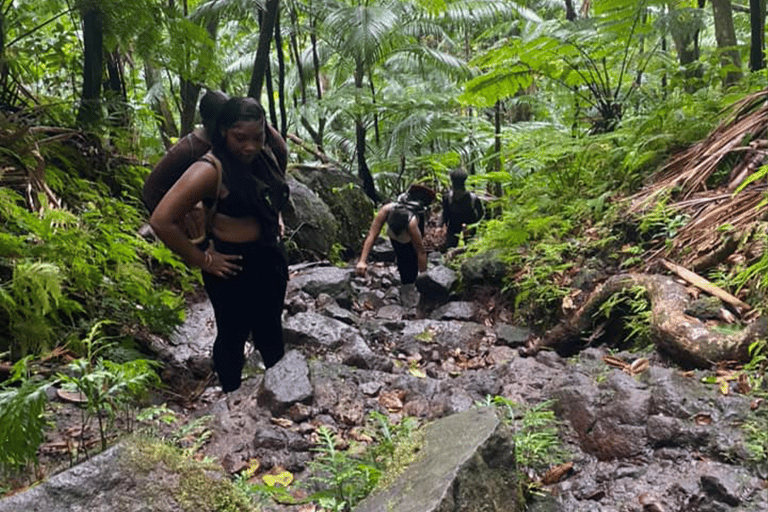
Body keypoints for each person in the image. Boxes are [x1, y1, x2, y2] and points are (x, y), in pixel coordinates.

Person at [150, 97, 290, 393]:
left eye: (258, 137)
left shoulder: (263, 158)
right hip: (232, 267)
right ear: (223, 132)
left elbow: (272, 190)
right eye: (241, 138)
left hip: (269, 258)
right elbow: (162, 220)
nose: (250, 146)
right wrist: (204, 260)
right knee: (232, 336)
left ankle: (283, 398)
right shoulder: (210, 168)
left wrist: (273, 216)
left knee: (271, 332)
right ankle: (231, 400)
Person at [355, 184, 435, 287]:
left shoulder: (412, 224)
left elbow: (420, 251)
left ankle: (409, 286)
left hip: (409, 242)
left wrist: (423, 277)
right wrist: (362, 261)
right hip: (399, 243)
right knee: (403, 263)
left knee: (411, 266)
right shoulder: (386, 210)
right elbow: (372, 235)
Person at [440, 169, 484, 249]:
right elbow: (481, 213)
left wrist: (442, 225)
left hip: (460, 225)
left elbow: (445, 213)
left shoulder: (447, 197)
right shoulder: (473, 198)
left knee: (452, 247)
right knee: (470, 247)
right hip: (462, 225)